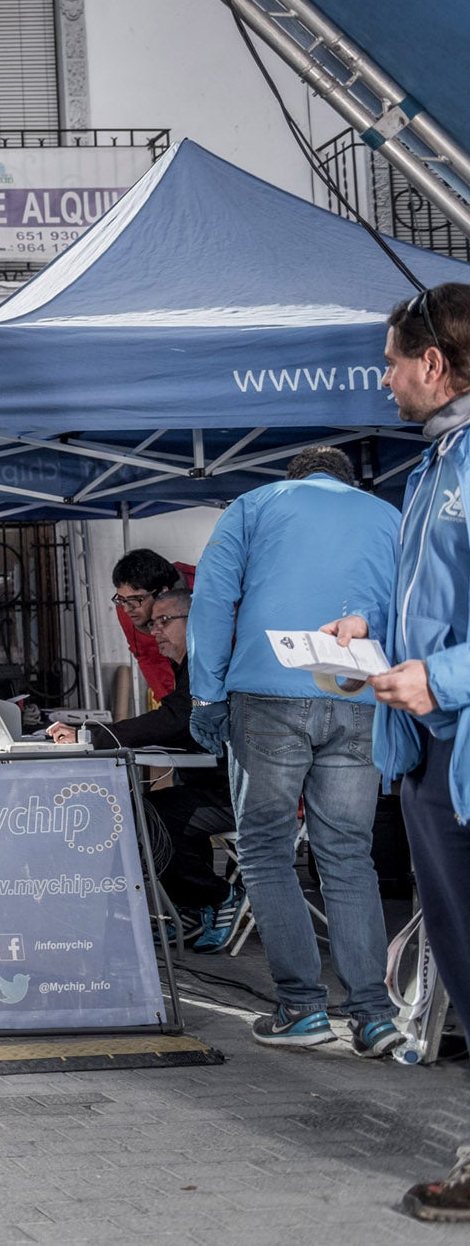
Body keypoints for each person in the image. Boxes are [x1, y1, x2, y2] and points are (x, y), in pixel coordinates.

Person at [319, 283, 470, 1222]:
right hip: (427, 758)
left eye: (390, 361)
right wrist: (374, 632)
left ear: (433, 364)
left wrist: (442, 678)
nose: (382, 380)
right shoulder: (433, 466)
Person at [184, 446, 403, 1053]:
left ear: (295, 478)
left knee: (264, 849)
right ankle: (373, 1015)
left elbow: (211, 599)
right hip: (359, 692)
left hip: (269, 694)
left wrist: (206, 696)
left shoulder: (254, 506)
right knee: (349, 855)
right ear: (346, 482)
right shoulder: (388, 516)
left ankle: (302, 1009)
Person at [48, 589, 236, 948]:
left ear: (192, 622)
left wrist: (95, 735)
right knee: (153, 811)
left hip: (235, 793)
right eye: (153, 624)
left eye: (165, 621)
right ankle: (193, 906)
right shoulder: (188, 666)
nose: (157, 631)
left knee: (149, 817)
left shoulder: (208, 662)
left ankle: (217, 896)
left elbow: (177, 719)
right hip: (210, 784)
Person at [111, 549, 195, 701]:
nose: (126, 609)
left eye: (136, 599)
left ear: (162, 592)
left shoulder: (206, 590)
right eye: (121, 599)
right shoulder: (127, 607)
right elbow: (148, 657)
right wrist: (170, 707)